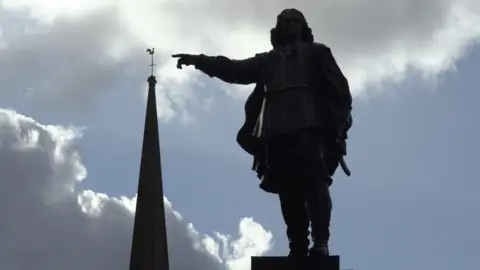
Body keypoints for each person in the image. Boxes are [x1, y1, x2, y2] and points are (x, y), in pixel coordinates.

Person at [172, 8, 352, 257]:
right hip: (276, 129)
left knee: (315, 183)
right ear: (277, 30)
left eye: (294, 21)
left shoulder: (317, 53)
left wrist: (340, 124)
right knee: (288, 191)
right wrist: (200, 61)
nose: (289, 25)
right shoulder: (268, 60)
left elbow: (340, 91)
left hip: (309, 124)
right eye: (284, 22)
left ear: (303, 28)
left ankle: (320, 241)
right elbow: (234, 69)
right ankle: (297, 244)